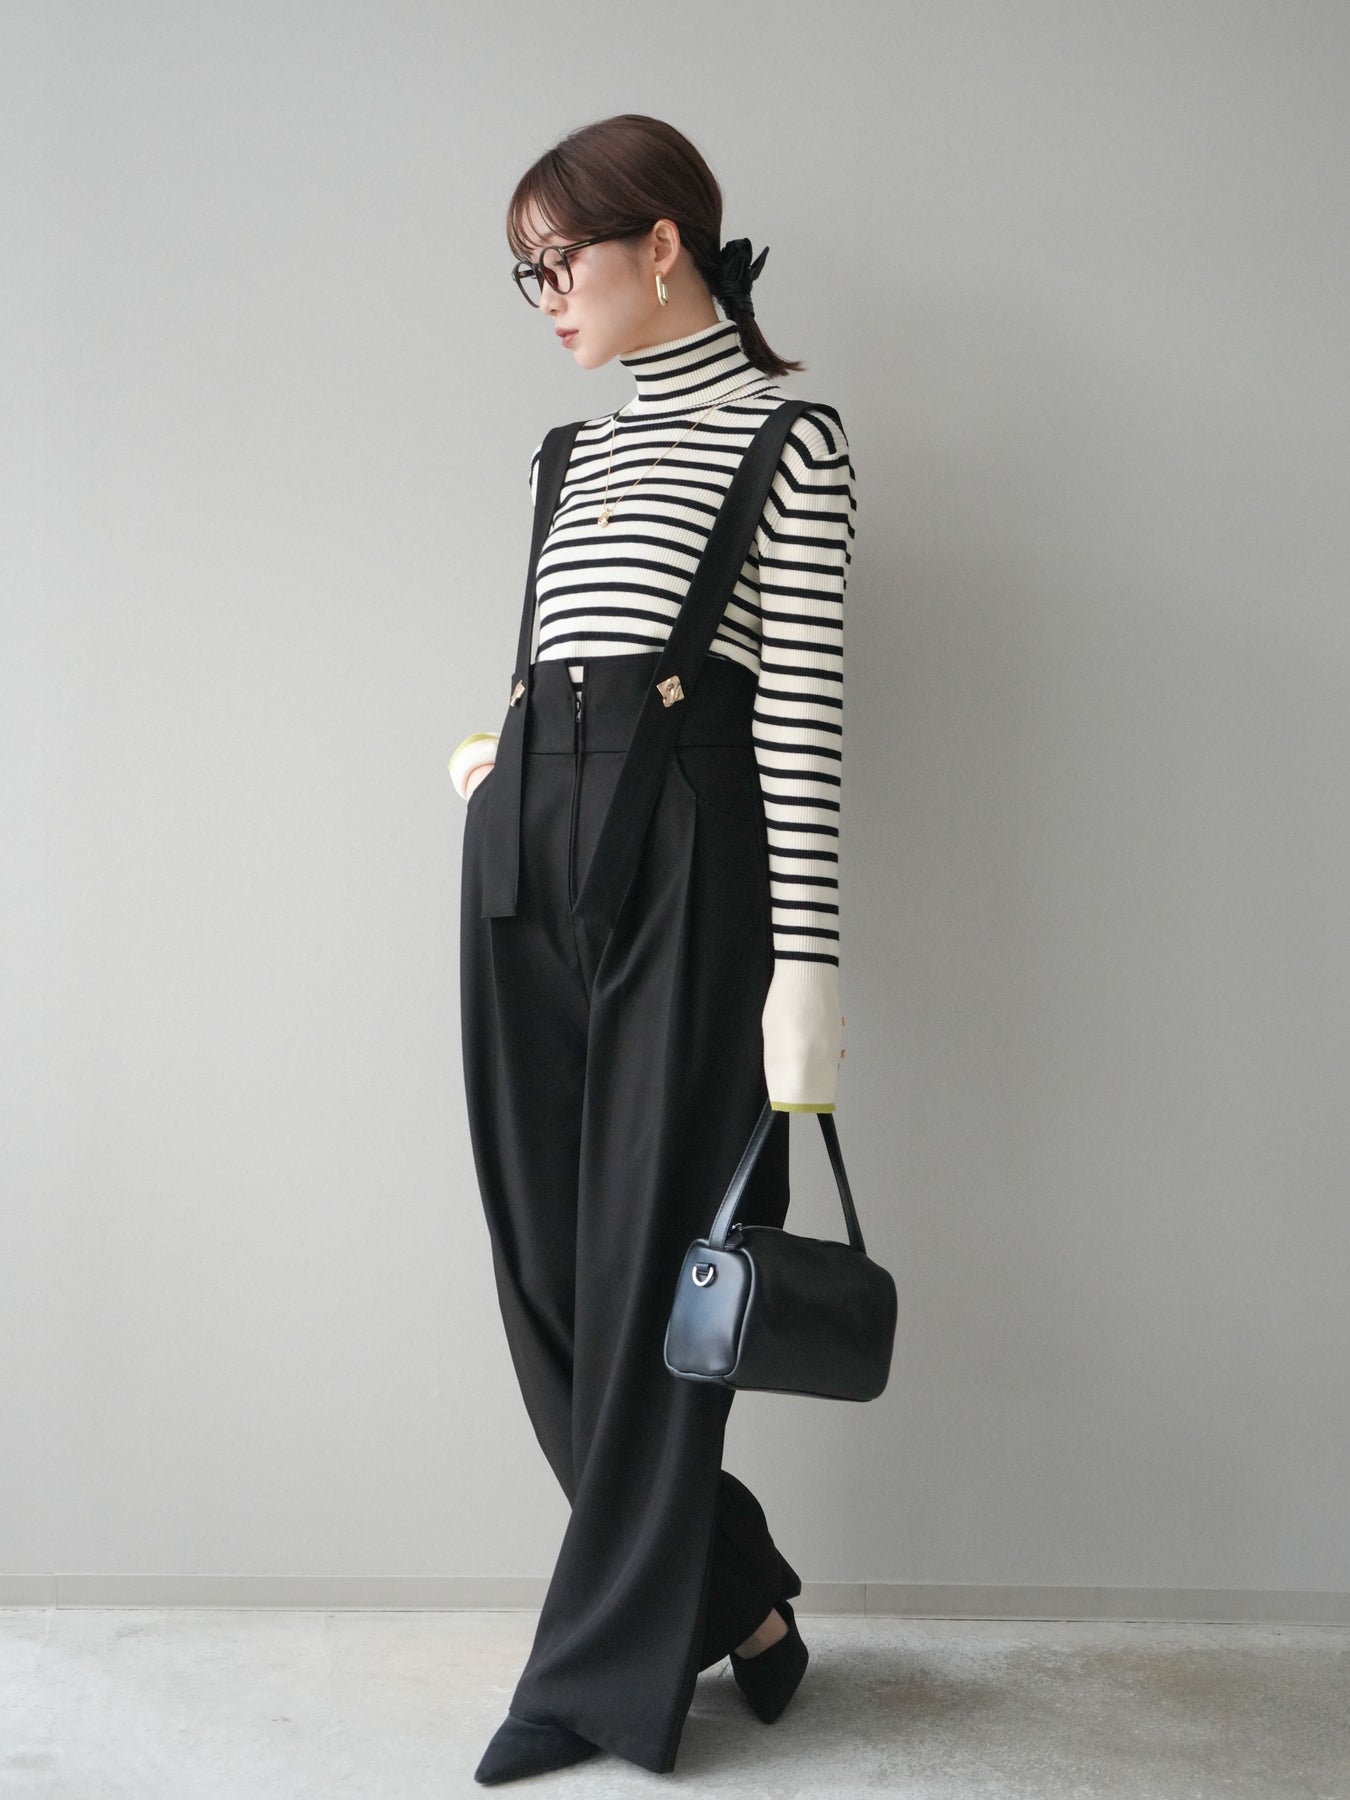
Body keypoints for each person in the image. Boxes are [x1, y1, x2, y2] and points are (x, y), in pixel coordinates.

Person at [450, 113, 856, 1785]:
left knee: (650, 1270)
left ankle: (592, 1685)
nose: (546, 294)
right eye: (526, 274)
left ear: (661, 244)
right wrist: (497, 764)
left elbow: (802, 720)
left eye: (561, 260)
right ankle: (736, 1590)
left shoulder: (790, 441)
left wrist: (807, 968)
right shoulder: (569, 454)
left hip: (693, 864)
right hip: (518, 852)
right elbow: (558, 649)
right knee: (547, 1272)